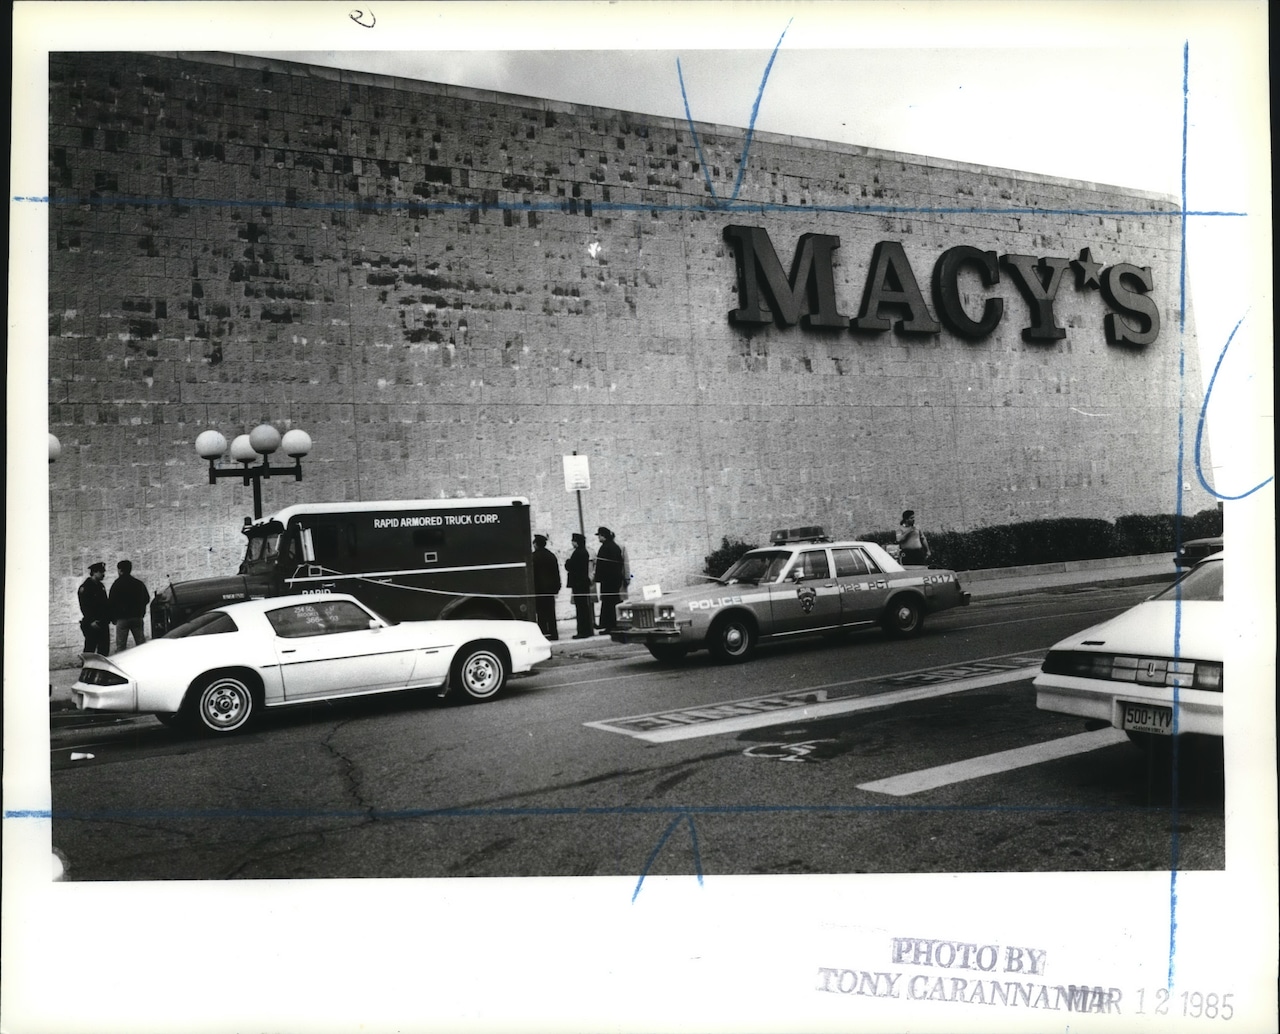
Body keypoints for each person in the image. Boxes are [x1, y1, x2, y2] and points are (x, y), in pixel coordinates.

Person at [109, 559, 150, 651]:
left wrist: (113, 618)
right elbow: (146, 598)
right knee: (141, 644)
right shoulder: (138, 583)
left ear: (120, 570)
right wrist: (141, 610)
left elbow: (111, 602)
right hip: (136, 616)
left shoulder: (116, 584)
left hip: (122, 618)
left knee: (121, 646)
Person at [593, 526, 626, 632]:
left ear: (604, 536)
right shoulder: (614, 547)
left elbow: (602, 565)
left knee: (608, 603)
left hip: (607, 580)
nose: (598, 538)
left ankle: (609, 626)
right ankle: (612, 625)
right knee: (613, 602)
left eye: (599, 536)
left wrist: (598, 577)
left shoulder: (605, 547)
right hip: (614, 579)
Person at [530, 534, 561, 641]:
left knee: (541, 613)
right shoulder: (551, 556)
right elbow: (556, 573)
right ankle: (554, 633)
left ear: (536, 544)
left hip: (538, 589)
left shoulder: (533, 557)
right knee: (551, 612)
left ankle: (543, 633)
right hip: (550, 589)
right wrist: (557, 587)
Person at [564, 532, 595, 638]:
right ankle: (587, 630)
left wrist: (568, 561)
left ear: (576, 542)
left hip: (578, 583)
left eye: (573, 541)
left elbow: (569, 566)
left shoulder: (577, 553)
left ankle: (582, 631)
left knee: (580, 608)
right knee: (584, 607)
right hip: (583, 582)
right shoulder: (584, 552)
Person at [77, 561, 111, 656]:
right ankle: (87, 666)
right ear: (94, 572)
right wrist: (91, 621)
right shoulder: (86, 587)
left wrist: (108, 618)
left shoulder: (100, 586)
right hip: (92, 624)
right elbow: (84, 606)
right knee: (90, 649)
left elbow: (105, 604)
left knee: (104, 650)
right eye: (101, 572)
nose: (103, 574)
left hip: (102, 622)